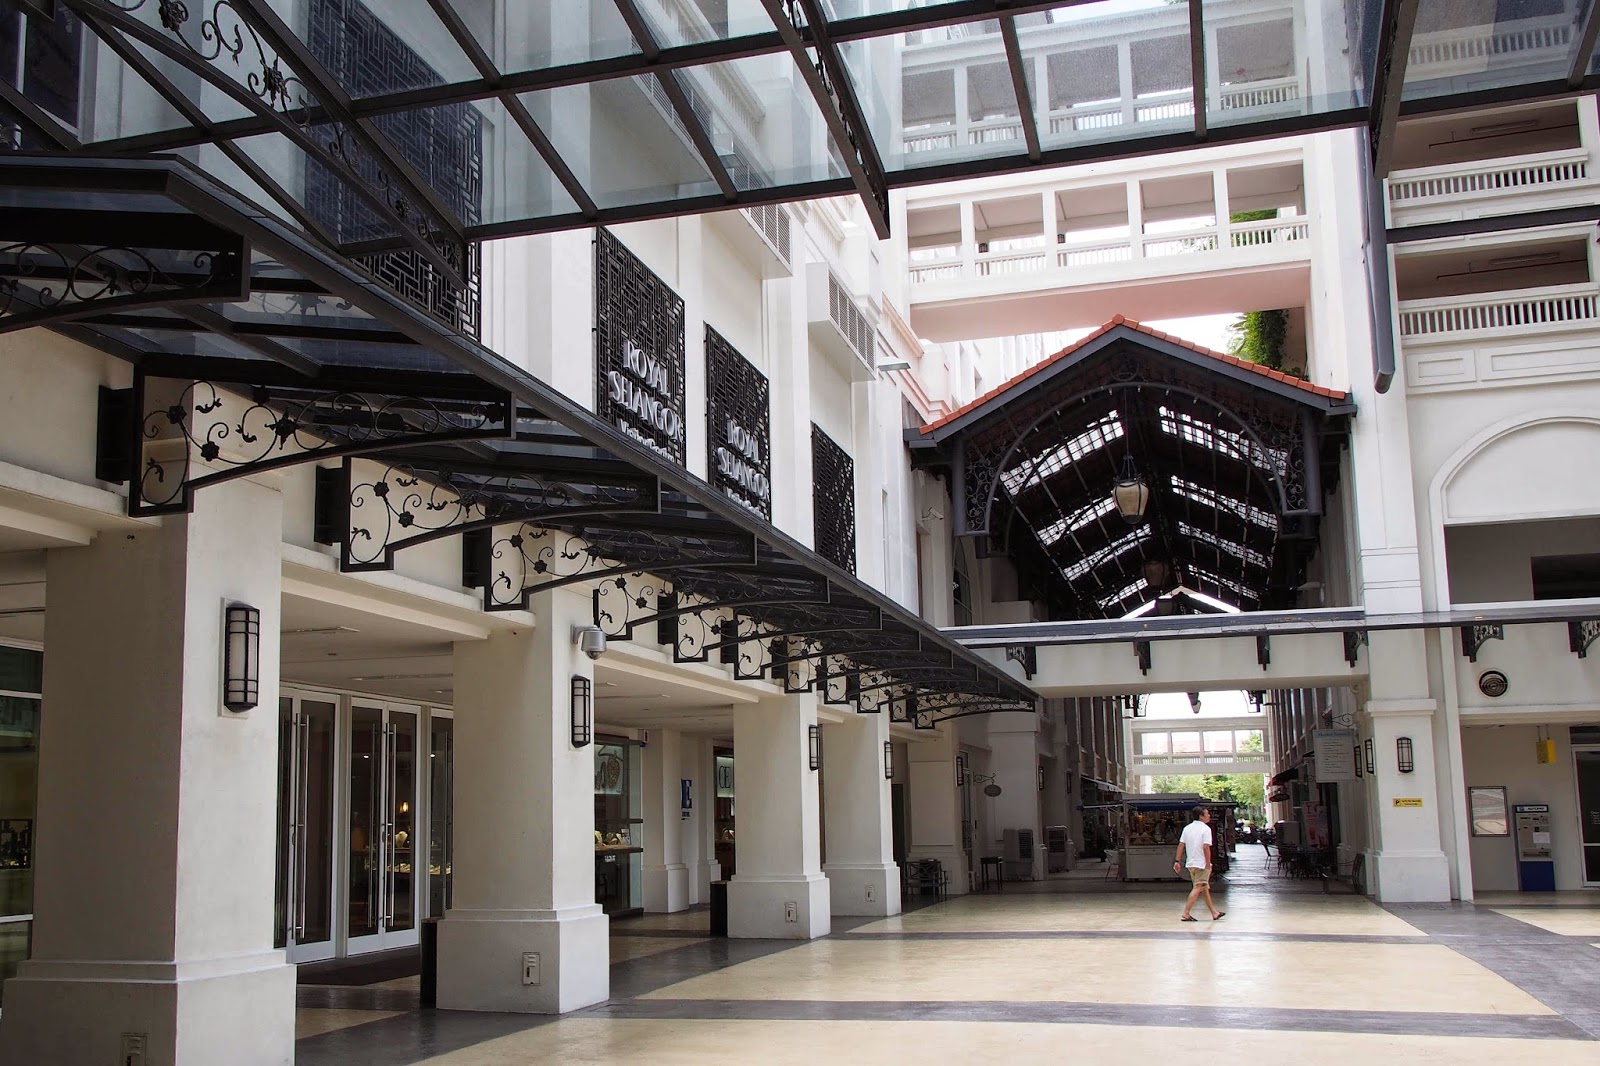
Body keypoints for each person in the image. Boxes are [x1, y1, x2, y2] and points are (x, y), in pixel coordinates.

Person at [1173, 806, 1224, 922]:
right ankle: (1186, 913)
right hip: (1201, 863)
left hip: (1191, 863)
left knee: (1203, 887)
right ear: (1201, 816)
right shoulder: (1205, 829)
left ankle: (1214, 912)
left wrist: (1177, 861)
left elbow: (1181, 845)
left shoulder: (1187, 828)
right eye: (1207, 814)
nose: (1209, 816)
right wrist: (1208, 864)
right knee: (1198, 887)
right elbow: (1206, 847)